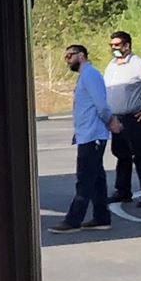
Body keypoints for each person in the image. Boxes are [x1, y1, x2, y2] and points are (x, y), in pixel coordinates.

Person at [54, 46, 116, 231]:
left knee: (85, 178)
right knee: (96, 178)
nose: (67, 60)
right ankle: (101, 217)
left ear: (81, 56)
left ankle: (73, 220)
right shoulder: (84, 76)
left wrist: (111, 121)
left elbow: (101, 105)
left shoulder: (90, 75)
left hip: (93, 135)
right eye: (66, 56)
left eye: (70, 56)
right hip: (85, 134)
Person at [104, 32, 141, 210]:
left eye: (117, 45)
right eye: (111, 45)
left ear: (127, 46)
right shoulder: (111, 65)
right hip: (116, 118)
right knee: (121, 155)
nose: (114, 48)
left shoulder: (138, 64)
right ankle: (122, 191)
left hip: (134, 117)